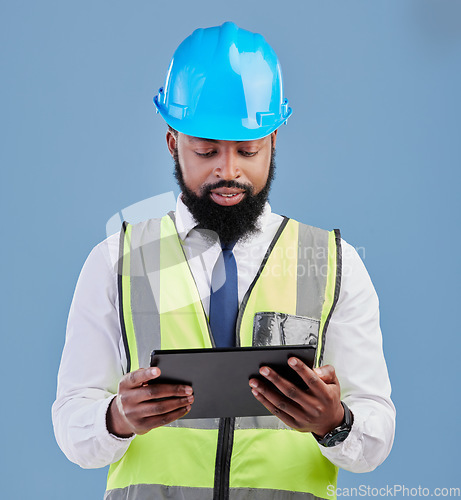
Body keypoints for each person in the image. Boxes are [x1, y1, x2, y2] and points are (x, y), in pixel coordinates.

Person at [52, 22, 395, 500]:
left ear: (274, 141)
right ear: (173, 142)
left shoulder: (335, 264)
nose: (228, 171)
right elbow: (72, 425)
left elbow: (376, 433)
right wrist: (117, 418)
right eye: (207, 150)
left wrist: (334, 423)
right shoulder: (117, 261)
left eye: (248, 150)